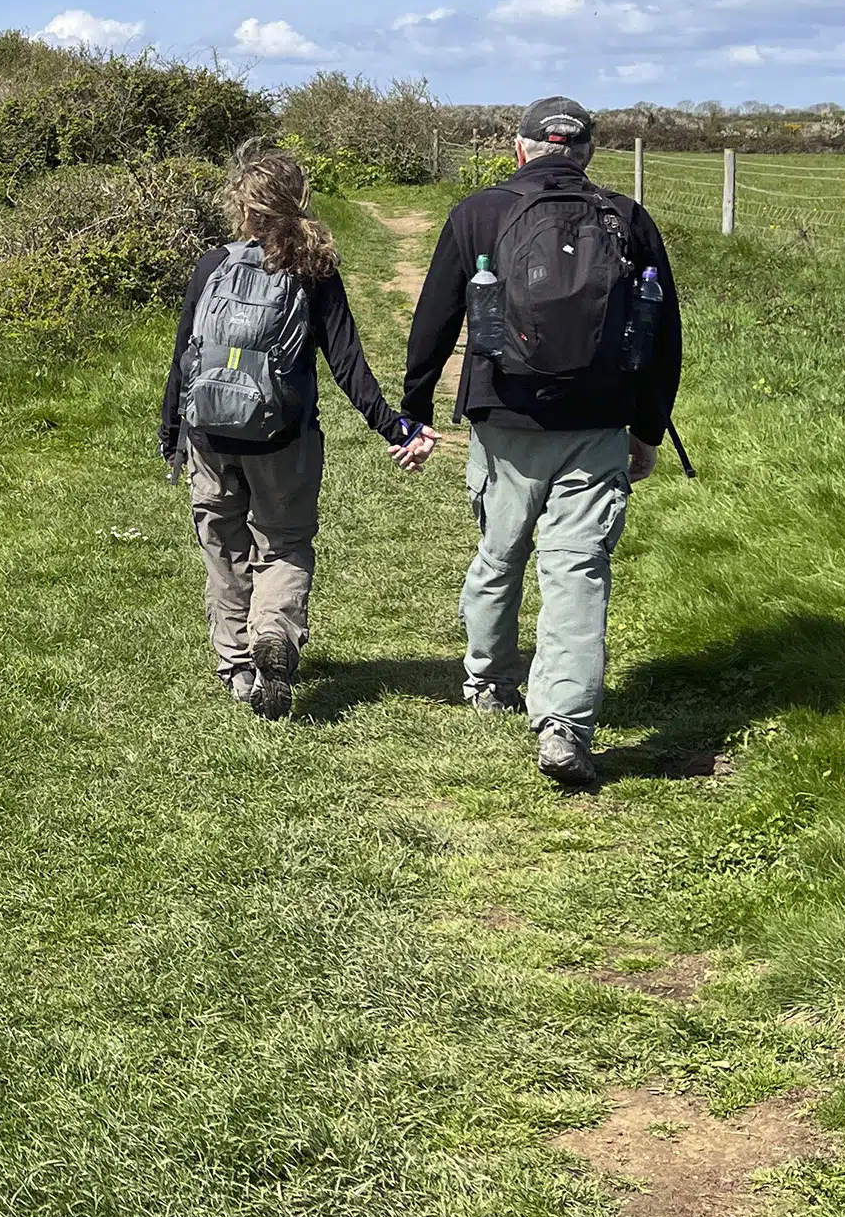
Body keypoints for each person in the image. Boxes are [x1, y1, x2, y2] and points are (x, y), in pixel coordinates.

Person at [401, 97, 682, 787]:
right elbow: (664, 337)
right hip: (598, 419)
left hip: (504, 416)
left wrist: (415, 406)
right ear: (586, 153)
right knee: (577, 566)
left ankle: (489, 680)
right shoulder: (627, 217)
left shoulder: (479, 213)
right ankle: (564, 723)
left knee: (500, 550)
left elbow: (434, 315)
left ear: (520, 147)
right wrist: (646, 431)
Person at [162, 147, 437, 717]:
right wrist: (395, 426)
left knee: (223, 545)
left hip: (208, 435)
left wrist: (172, 433)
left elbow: (183, 359)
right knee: (283, 541)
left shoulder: (212, 265)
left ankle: (238, 666)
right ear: (298, 201)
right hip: (282, 436)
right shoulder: (313, 269)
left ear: (244, 207)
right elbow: (346, 360)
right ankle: (275, 637)